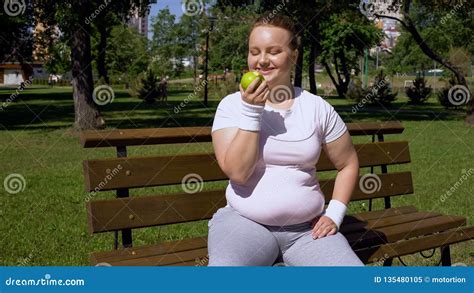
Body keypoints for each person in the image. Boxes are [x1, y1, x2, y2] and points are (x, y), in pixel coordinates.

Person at [209, 13, 364, 266]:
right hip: (244, 224)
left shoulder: (317, 108)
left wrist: (335, 214)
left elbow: (348, 163)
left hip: (307, 231)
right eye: (254, 51)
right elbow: (238, 172)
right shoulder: (231, 106)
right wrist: (251, 111)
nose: (261, 60)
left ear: (293, 55)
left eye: (273, 51)